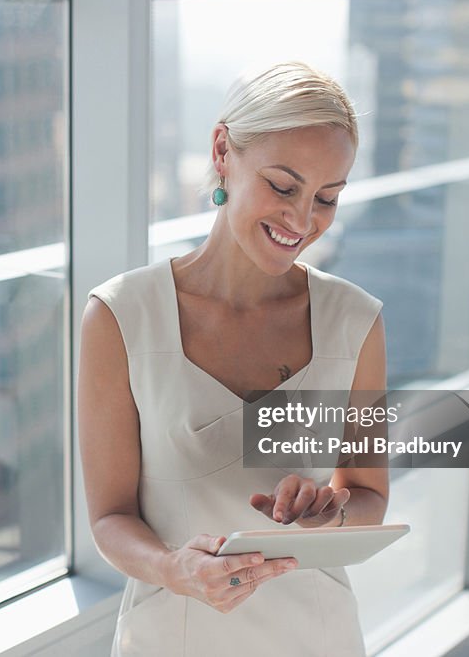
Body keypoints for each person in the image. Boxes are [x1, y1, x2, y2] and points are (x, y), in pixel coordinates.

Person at [78, 62, 388, 656]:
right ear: (223, 150)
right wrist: (174, 569)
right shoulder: (120, 317)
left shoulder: (358, 322)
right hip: (175, 635)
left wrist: (330, 516)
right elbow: (109, 518)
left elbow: (369, 495)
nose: (303, 220)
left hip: (317, 637)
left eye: (327, 198)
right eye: (283, 185)